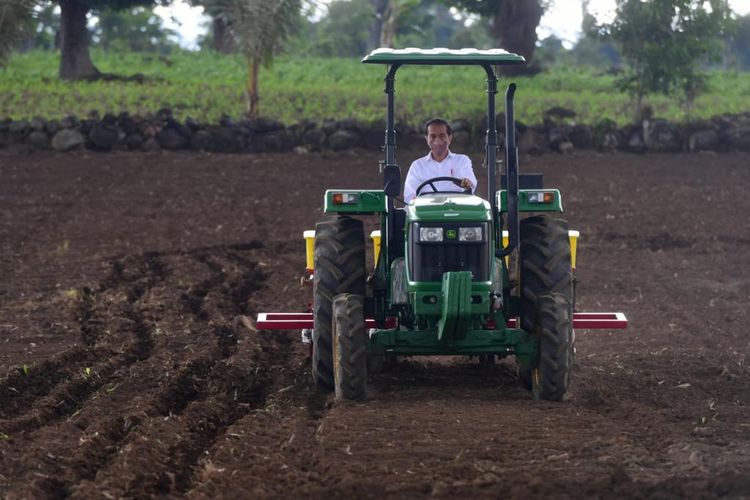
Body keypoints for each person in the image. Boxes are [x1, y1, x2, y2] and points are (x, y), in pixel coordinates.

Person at [403, 118, 477, 202]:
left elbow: (470, 183)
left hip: (455, 210)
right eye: (433, 136)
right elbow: (410, 198)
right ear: (427, 139)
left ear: (450, 138)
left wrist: (467, 182)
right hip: (427, 211)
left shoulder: (462, 161)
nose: (437, 140)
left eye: (442, 135)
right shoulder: (417, 166)